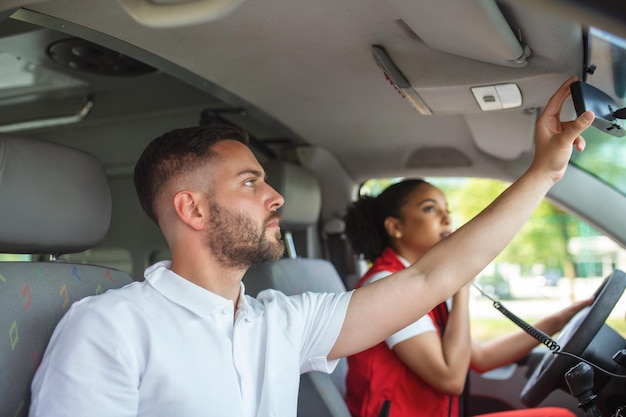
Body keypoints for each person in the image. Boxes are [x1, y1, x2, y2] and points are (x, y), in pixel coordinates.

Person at [29, 77, 593, 417]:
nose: (275, 196)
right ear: (192, 209)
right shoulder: (109, 327)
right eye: (250, 182)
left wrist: (543, 172)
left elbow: (428, 281)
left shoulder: (282, 322)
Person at [343, 178, 592, 417]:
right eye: (430, 208)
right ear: (395, 227)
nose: (446, 218)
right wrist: (461, 282)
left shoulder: (424, 284)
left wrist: (561, 319)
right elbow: (451, 379)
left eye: (447, 209)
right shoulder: (388, 286)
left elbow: (482, 358)